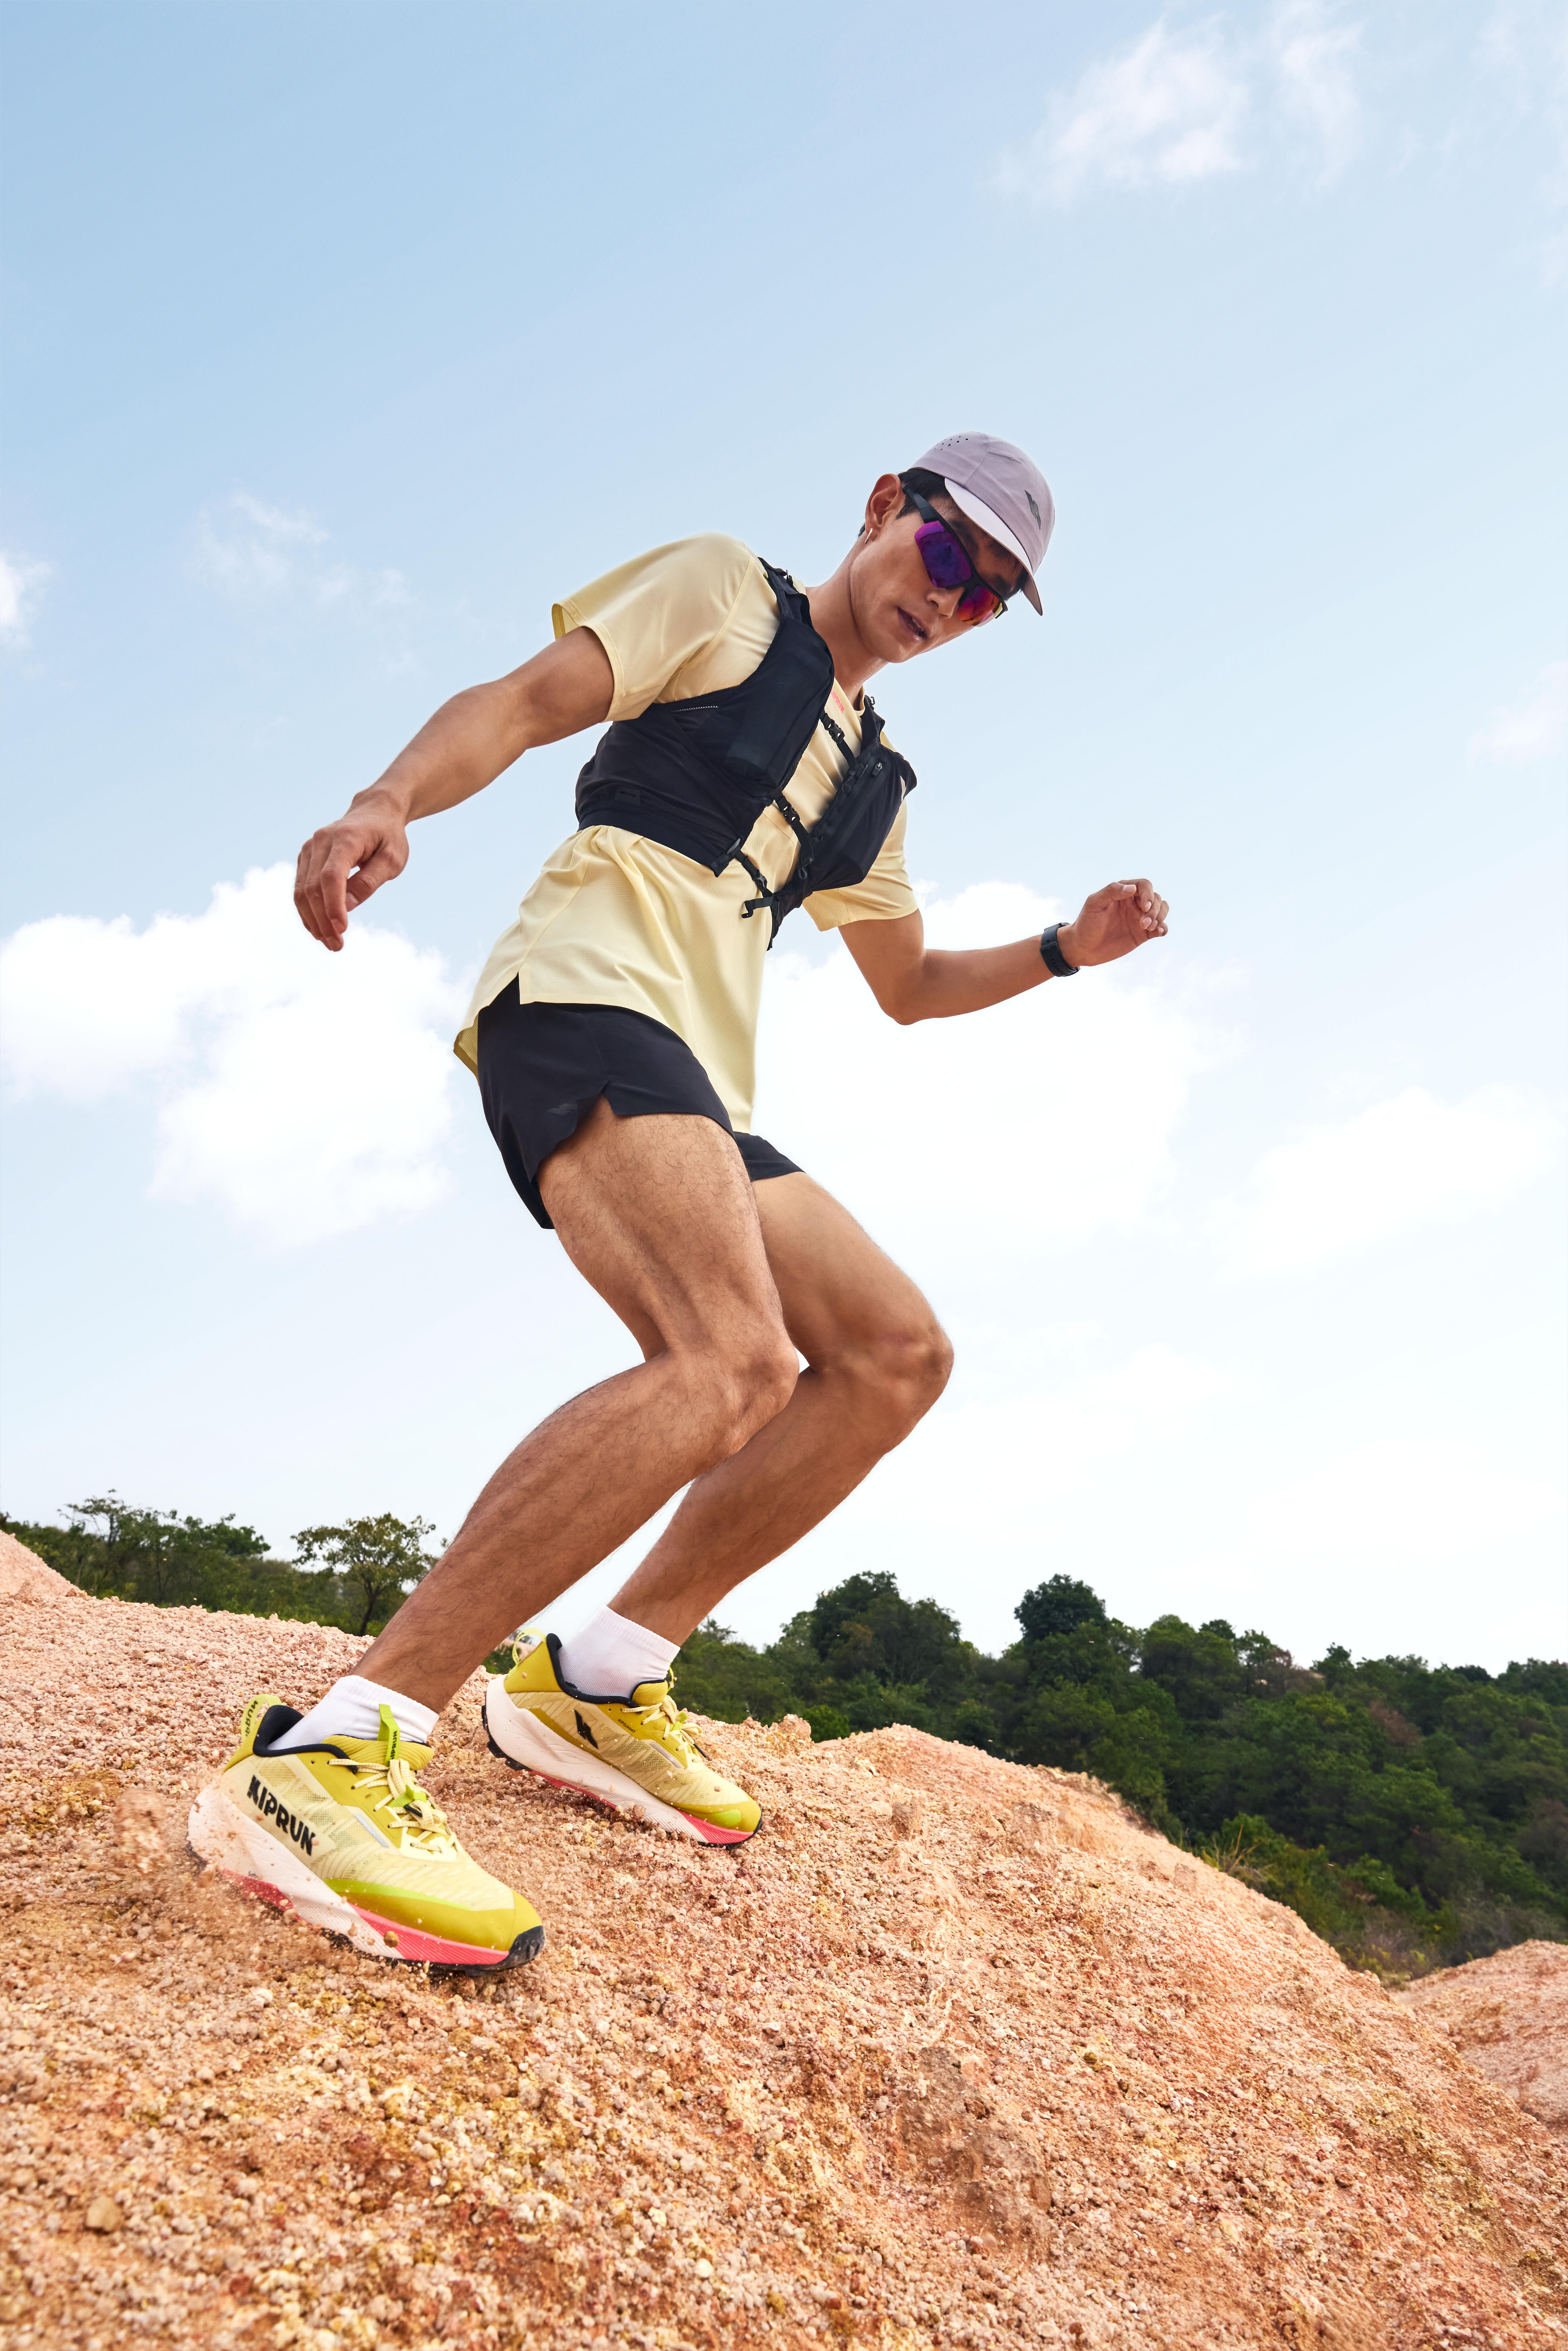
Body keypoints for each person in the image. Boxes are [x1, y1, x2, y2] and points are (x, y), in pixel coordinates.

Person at [187, 434, 1169, 1971]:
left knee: (892, 1354)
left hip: (704, 1082)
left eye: (987, 598)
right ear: (880, 511)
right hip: (583, 996)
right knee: (730, 1362)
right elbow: (520, 704)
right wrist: (386, 802)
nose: (952, 598)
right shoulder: (724, 593)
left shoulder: (877, 780)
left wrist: (1060, 951)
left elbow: (905, 988)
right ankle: (333, 1750)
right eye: (947, 555)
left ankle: (598, 1672)